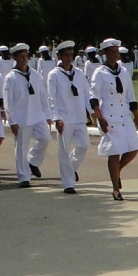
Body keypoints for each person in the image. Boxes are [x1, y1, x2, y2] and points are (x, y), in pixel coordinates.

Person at [91, 38, 138, 201]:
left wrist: (136, 116)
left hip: (124, 114)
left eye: (116, 51)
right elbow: (93, 97)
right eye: (112, 52)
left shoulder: (123, 71)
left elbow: (130, 95)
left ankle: (117, 172)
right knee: (114, 152)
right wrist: (100, 118)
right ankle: (115, 189)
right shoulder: (100, 72)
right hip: (109, 115)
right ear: (105, 53)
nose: (115, 54)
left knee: (133, 149)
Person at [2, 43, 51, 188]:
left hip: (37, 115)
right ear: (15, 58)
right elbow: (8, 102)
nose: (24, 59)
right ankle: (24, 177)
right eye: (21, 56)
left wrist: (48, 115)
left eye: (26, 56)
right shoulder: (11, 77)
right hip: (21, 117)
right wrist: (12, 121)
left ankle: (33, 161)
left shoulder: (35, 74)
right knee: (21, 148)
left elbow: (43, 95)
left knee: (45, 139)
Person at [47, 41, 93, 194]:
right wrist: (56, 118)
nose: (69, 58)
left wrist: (91, 112)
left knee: (84, 145)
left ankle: (71, 169)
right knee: (64, 150)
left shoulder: (79, 73)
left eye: (71, 55)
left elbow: (87, 94)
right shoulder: (54, 74)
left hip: (79, 116)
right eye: (65, 55)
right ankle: (68, 183)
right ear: (59, 56)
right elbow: (51, 97)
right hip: (64, 118)